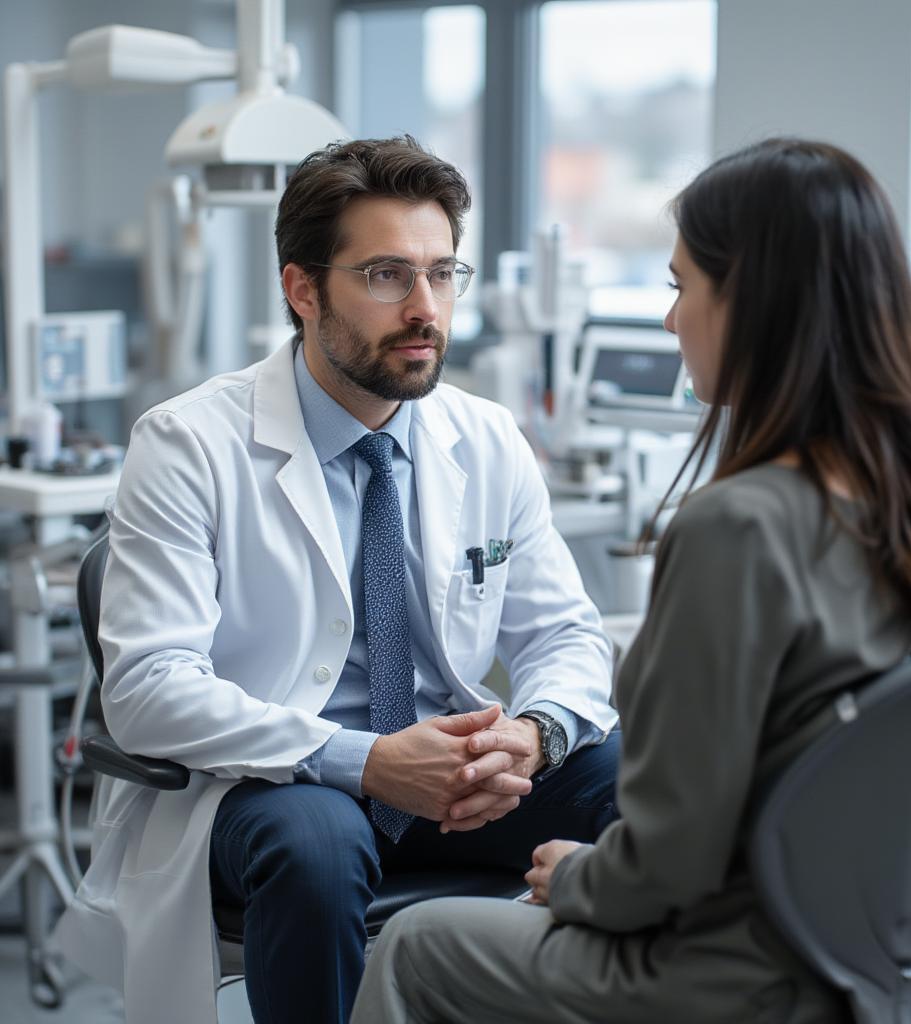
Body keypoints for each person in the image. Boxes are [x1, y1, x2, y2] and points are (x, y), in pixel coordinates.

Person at [350, 137, 911, 1024]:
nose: (670, 321)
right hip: (893, 960)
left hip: (747, 970)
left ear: (754, 305)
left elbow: (672, 860)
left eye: (682, 287)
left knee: (420, 942)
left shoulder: (737, 528)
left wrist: (582, 877)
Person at [55, 136, 619, 1024]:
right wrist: (366, 761)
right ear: (302, 289)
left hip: (447, 777)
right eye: (388, 275)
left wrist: (536, 734)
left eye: (442, 273)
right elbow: (148, 689)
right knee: (317, 838)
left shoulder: (486, 436)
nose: (426, 308)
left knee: (632, 783)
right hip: (273, 785)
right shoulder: (187, 444)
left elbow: (566, 636)